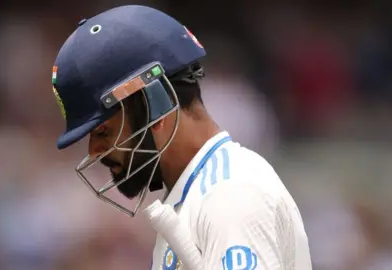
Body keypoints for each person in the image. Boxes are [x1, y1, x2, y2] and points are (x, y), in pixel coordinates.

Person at [50, 5, 312, 270]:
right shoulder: (193, 195)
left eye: (102, 131)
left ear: (155, 105)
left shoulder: (230, 195)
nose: (94, 150)